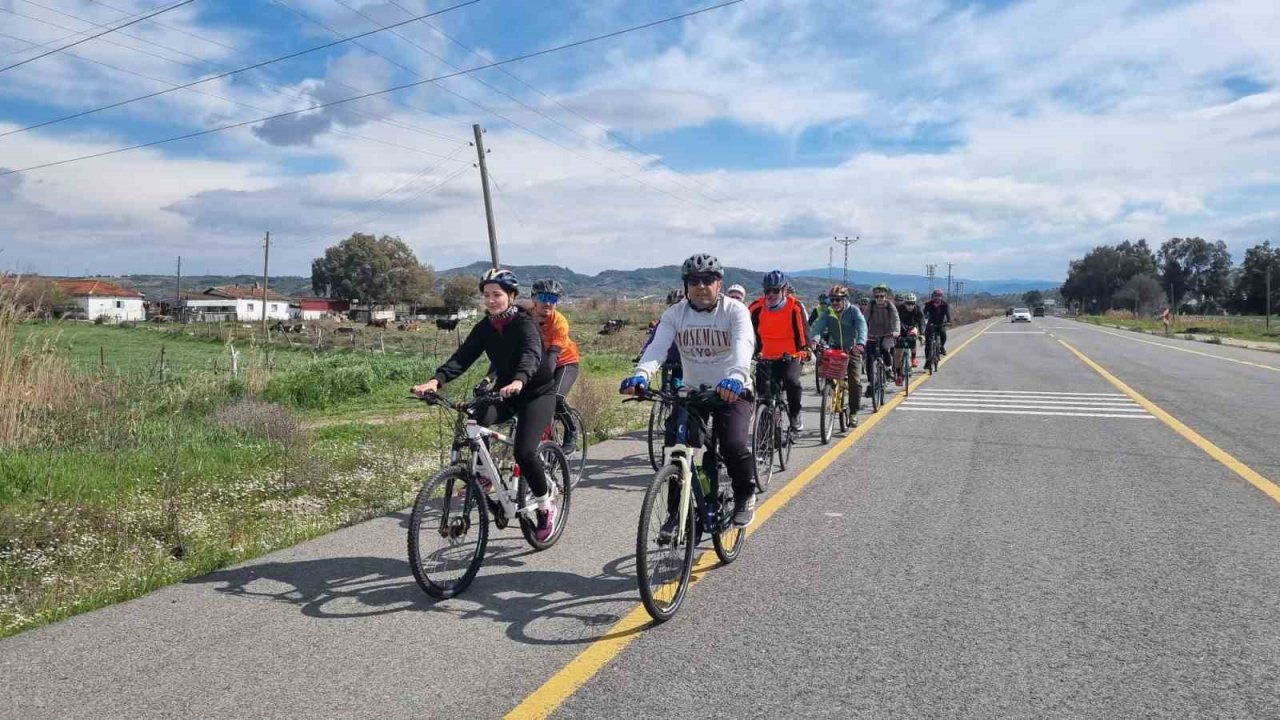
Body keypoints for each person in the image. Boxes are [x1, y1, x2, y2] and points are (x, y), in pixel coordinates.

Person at [412, 268, 560, 541]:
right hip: (506, 392)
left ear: (511, 296)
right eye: (486, 295)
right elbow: (462, 357)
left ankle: (544, 505)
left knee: (524, 452)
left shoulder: (524, 323)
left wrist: (519, 379)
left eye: (498, 295)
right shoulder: (485, 327)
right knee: (475, 419)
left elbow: (531, 353)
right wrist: (436, 381)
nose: (491, 300)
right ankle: (484, 475)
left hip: (536, 392)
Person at [621, 253, 758, 527]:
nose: (701, 285)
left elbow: (745, 345)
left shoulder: (735, 311)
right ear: (686, 285)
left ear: (719, 283)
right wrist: (641, 375)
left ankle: (745, 495)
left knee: (733, 445)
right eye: (694, 280)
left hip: (732, 391)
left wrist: (736, 376)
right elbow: (657, 348)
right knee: (675, 448)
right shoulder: (674, 314)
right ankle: (676, 514)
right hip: (693, 393)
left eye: (708, 279)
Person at [747, 270, 809, 432]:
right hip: (765, 356)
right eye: (767, 291)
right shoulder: (756, 308)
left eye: (775, 290)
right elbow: (745, 333)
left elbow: (803, 334)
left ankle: (795, 414)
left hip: (790, 356)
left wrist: (805, 351)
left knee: (791, 381)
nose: (771, 294)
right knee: (764, 394)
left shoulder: (795, 307)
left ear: (784, 290)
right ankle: (765, 430)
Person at [531, 278, 581, 454]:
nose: (547, 303)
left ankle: (572, 429)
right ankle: (545, 443)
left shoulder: (559, 322)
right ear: (533, 298)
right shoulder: (526, 316)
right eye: (543, 297)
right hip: (540, 362)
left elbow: (553, 355)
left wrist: (543, 381)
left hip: (566, 362)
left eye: (552, 299)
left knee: (556, 397)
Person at [808, 284, 867, 425]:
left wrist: (860, 343)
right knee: (827, 373)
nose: (834, 303)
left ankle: (853, 412)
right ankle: (830, 387)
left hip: (852, 349)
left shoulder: (854, 311)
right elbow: (818, 327)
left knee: (855, 381)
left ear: (845, 300)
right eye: (832, 300)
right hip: (834, 347)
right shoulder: (828, 312)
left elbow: (862, 327)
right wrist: (814, 340)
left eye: (838, 300)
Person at [863, 284, 901, 393]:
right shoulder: (871, 305)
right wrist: (862, 332)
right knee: (870, 358)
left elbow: (896, 319)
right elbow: (864, 319)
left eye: (882, 296)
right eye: (877, 296)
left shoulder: (890, 306)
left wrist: (896, 331)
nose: (879, 299)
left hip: (887, 333)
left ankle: (889, 369)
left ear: (885, 297)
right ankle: (871, 383)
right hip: (872, 333)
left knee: (885, 350)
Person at [896, 292, 925, 372]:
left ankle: (913, 357)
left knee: (912, 338)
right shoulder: (900, 308)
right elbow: (895, 320)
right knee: (898, 350)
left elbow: (921, 322)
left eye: (912, 303)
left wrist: (922, 334)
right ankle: (898, 372)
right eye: (908, 303)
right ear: (904, 303)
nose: (910, 305)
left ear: (915, 303)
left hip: (913, 326)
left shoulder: (918, 309)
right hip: (902, 327)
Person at [923, 288, 952, 356]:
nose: (937, 298)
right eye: (935, 296)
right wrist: (924, 319)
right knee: (928, 337)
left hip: (941, 323)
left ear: (941, 297)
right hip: (931, 323)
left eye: (939, 296)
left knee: (943, 335)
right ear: (933, 297)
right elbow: (924, 313)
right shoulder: (928, 304)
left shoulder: (945, 305)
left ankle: (941, 347)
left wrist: (949, 321)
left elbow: (948, 314)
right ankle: (928, 353)